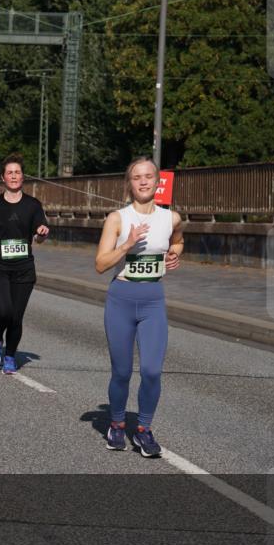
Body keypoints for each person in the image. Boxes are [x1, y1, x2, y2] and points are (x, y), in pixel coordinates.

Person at [95, 157, 184, 458]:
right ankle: (117, 424)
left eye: (148, 176)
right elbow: (100, 264)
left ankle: (143, 429)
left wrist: (174, 253)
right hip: (121, 299)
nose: (143, 181)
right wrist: (126, 245)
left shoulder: (171, 218)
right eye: (137, 177)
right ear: (129, 183)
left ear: (157, 181)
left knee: (151, 371)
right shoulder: (117, 219)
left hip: (153, 301)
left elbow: (178, 241)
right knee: (121, 372)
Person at [0, 155, 49, 375]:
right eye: (10, 173)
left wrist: (42, 234)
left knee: (16, 317)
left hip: (23, 270)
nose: (14, 176)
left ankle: (10, 356)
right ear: (3, 177)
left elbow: (39, 237)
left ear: (23, 176)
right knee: (3, 310)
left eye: (17, 172)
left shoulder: (33, 205)